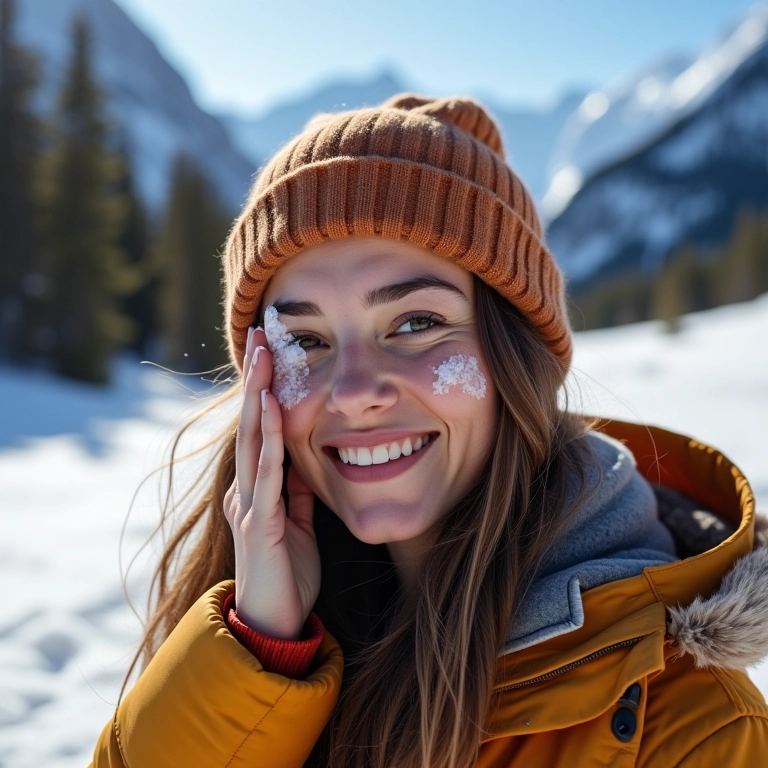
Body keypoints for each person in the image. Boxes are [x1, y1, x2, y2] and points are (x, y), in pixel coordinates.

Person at [91, 94, 768, 768]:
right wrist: (262, 650)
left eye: (416, 323)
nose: (353, 394)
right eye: (306, 339)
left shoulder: (694, 731)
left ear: (515, 357)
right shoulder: (263, 627)